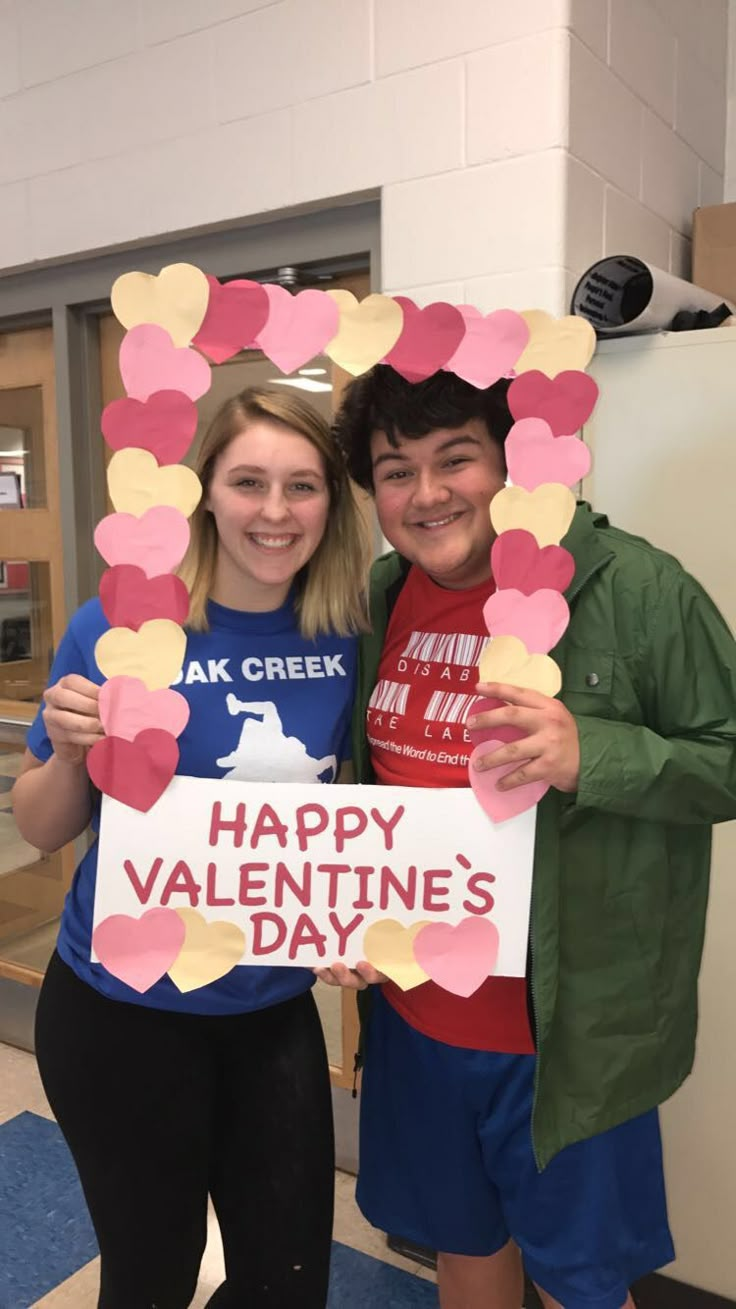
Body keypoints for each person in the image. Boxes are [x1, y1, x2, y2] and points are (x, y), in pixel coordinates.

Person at [317, 364, 736, 1309]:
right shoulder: (385, 597)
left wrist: (596, 751)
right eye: (394, 470)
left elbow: (728, 755)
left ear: (513, 460)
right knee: (464, 1251)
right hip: (417, 1019)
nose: (426, 494)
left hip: (562, 1039)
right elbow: (373, 795)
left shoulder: (634, 587)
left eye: (455, 458)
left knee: (582, 1283)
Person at [13, 386, 369, 1309]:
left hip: (272, 1009)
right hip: (121, 1008)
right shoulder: (123, 624)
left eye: (302, 485)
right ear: (204, 489)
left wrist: (364, 915)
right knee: (151, 1278)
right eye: (248, 481)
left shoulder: (348, 634)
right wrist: (73, 751)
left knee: (286, 1283)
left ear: (334, 498)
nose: (275, 511)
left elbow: (360, 816)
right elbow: (41, 825)